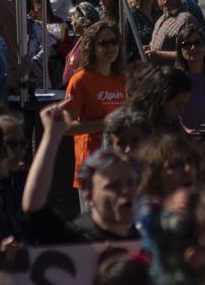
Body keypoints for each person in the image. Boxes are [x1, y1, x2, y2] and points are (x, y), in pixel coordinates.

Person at [21, 103, 140, 244]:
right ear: (89, 195)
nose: (125, 191)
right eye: (113, 186)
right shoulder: (75, 238)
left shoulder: (150, 239)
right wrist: (52, 135)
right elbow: (35, 206)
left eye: (131, 183)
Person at [65, 19, 129, 183]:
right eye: (103, 43)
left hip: (119, 164)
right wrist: (105, 124)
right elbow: (67, 127)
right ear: (92, 47)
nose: (110, 48)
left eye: (114, 42)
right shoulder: (80, 80)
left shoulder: (121, 78)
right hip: (91, 166)